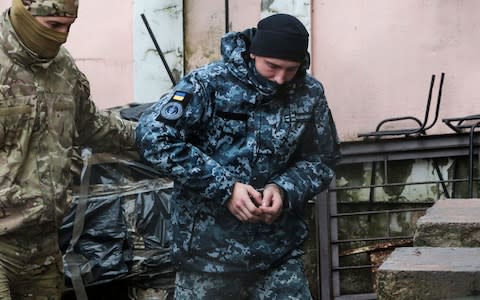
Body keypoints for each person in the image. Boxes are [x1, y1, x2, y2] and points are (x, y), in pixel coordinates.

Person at [136, 13, 341, 299]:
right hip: (207, 257)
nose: (281, 78)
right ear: (254, 52)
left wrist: (283, 189)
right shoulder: (208, 84)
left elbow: (322, 158)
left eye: (290, 69)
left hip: (277, 254)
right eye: (272, 66)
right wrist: (225, 189)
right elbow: (152, 137)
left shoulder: (309, 93)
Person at [0, 0, 136, 298]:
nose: (62, 36)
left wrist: (150, 135)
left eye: (69, 26)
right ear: (26, 13)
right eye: (53, 26)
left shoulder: (63, 67)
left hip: (45, 245)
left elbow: (92, 125)